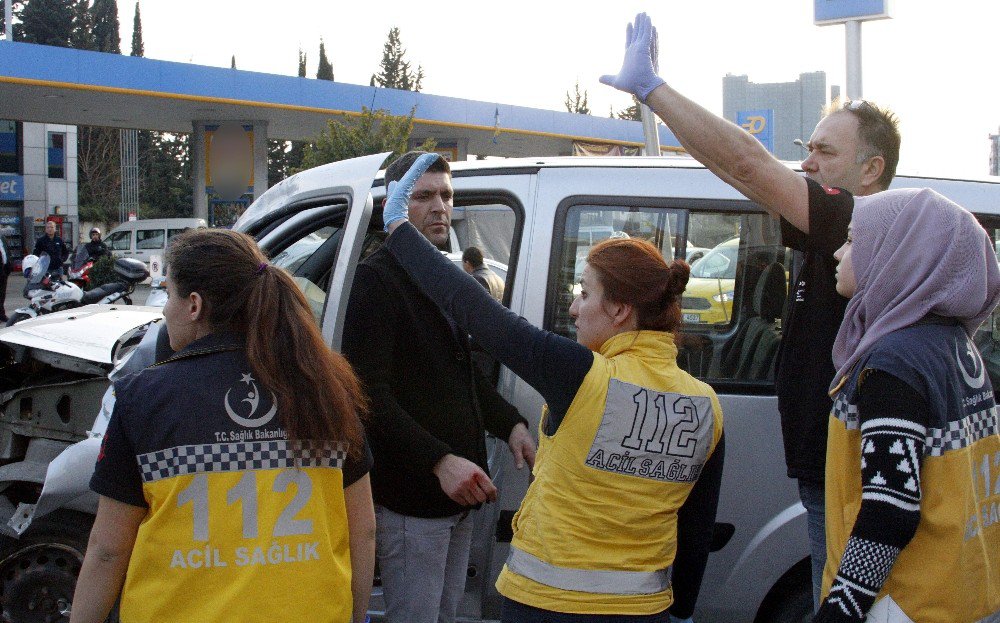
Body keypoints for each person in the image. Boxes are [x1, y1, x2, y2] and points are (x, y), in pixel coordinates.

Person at [599, 13, 901, 609]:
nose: (807, 162)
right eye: (807, 148)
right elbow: (738, 172)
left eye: (824, 151)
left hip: (845, 475)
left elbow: (748, 165)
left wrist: (653, 91)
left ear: (871, 171)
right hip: (824, 469)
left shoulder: (860, 218)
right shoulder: (835, 230)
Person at [383, 154, 725, 623]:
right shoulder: (706, 406)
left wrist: (400, 229)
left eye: (585, 292)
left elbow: (478, 313)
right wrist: (681, 610)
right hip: (646, 609)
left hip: (547, 602)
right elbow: (697, 525)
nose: (574, 306)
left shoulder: (583, 375)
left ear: (621, 310)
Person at [69, 229, 375, 623]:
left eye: (168, 294)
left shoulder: (142, 397)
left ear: (194, 305)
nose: (164, 311)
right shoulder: (327, 388)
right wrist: (356, 613)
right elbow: (362, 531)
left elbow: (109, 550)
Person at [341, 151, 535, 623]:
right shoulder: (378, 279)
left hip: (457, 498)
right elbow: (369, 396)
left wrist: (510, 423)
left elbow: (461, 375)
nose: (439, 207)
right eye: (422, 195)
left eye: (446, 195)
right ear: (395, 204)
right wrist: (440, 460)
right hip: (411, 499)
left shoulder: (440, 274)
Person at [818, 189, 1000, 622]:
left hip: (900, 602)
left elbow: (891, 506)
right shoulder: (954, 345)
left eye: (853, 240)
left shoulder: (896, 361)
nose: (839, 252)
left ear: (896, 253)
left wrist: (843, 607)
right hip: (960, 591)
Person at [0, 230, 11, 322]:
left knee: (2, 294)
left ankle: (1, 314)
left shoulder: (2, 238)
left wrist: (9, 265)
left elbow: (7, 252)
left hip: (4, 270)